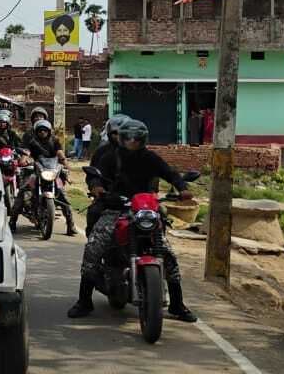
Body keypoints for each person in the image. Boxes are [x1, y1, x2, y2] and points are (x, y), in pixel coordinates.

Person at [68, 119, 197, 323]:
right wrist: (96, 187)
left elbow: (169, 173)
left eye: (137, 138)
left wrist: (182, 188)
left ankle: (177, 305)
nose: (132, 142)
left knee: (169, 255)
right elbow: (95, 176)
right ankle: (84, 301)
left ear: (143, 139)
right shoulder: (111, 157)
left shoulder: (150, 157)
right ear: (122, 138)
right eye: (128, 137)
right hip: (116, 208)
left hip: (144, 209)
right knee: (93, 249)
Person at [21, 119, 77, 236]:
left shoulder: (55, 141)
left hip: (53, 171)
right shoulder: (32, 142)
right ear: (36, 132)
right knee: (24, 191)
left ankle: (71, 225)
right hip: (38, 171)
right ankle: (12, 220)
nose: (42, 132)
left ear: (49, 131)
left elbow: (60, 153)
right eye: (40, 130)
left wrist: (65, 163)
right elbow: (26, 152)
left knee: (63, 196)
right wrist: (24, 159)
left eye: (45, 130)